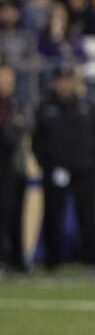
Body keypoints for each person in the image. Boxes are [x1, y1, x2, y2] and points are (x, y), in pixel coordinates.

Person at [33, 64, 95, 269]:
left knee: (88, 215)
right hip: (56, 170)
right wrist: (46, 165)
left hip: (84, 170)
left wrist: (94, 164)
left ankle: (92, 258)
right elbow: (37, 141)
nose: (65, 85)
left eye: (68, 80)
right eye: (61, 80)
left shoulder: (87, 107)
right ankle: (52, 260)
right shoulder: (45, 108)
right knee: (53, 215)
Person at [0, 64, 28, 272]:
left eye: (10, 81)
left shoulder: (16, 105)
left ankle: (14, 259)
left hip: (14, 167)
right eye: (4, 80)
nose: (8, 84)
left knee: (14, 214)